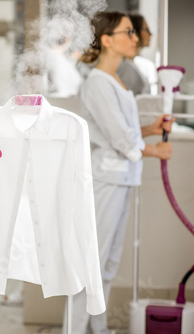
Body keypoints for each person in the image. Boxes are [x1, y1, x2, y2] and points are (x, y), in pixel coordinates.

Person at [64, 11, 173, 334]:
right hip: (105, 181)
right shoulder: (98, 83)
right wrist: (155, 150)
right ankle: (75, 329)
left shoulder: (115, 81)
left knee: (107, 264)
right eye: (129, 32)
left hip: (122, 178)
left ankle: (96, 329)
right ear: (108, 40)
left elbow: (122, 132)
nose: (136, 37)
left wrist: (150, 130)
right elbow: (121, 141)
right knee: (91, 264)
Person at [116, 13, 157, 95]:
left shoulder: (133, 63)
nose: (151, 34)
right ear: (136, 31)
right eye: (147, 29)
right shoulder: (124, 66)